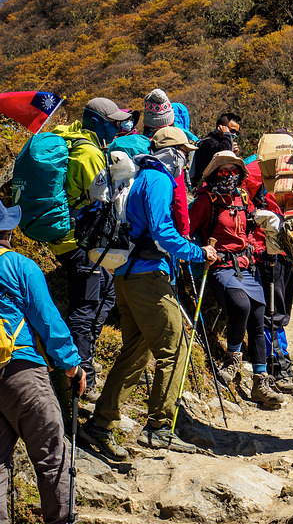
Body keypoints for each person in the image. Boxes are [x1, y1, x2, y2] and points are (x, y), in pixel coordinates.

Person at [78, 127, 217, 460]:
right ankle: (159, 428)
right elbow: (162, 231)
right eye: (185, 152)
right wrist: (198, 253)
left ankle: (100, 425)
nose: (187, 159)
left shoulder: (138, 176)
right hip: (147, 278)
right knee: (176, 348)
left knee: (136, 352)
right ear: (173, 152)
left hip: (125, 277)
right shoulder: (158, 180)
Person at [0, 200, 87, 524]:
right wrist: (71, 366)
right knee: (52, 456)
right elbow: (47, 319)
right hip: (22, 371)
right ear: (9, 230)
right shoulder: (19, 266)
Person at [188, 151, 285, 408]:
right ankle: (232, 358)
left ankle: (260, 381)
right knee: (241, 305)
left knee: (258, 318)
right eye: (224, 171)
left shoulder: (242, 197)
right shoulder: (206, 200)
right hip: (220, 267)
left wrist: (262, 239)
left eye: (234, 171)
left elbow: (249, 229)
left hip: (246, 265)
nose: (229, 176)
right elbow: (185, 229)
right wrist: (199, 251)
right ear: (214, 173)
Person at [51, 98, 128, 402]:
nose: (117, 128)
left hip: (66, 238)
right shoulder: (90, 155)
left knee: (106, 292)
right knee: (85, 306)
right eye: (113, 123)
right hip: (79, 241)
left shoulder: (70, 141)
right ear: (96, 122)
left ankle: (86, 356)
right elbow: (104, 202)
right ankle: (82, 378)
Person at [243, 163, 293, 393]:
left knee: (280, 313)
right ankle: (277, 367)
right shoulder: (256, 171)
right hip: (269, 252)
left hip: (285, 252)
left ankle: (282, 362)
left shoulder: (283, 170)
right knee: (273, 312)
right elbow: (247, 209)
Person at [142, 89, 190, 237]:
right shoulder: (171, 152)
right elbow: (179, 196)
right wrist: (184, 231)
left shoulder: (136, 144)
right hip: (162, 227)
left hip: (133, 226)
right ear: (170, 121)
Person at [191, 113, 241, 188]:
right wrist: (226, 135)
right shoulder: (209, 142)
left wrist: (233, 154)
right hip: (204, 187)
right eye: (232, 131)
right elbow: (224, 151)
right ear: (221, 127)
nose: (234, 135)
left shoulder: (223, 143)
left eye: (237, 133)